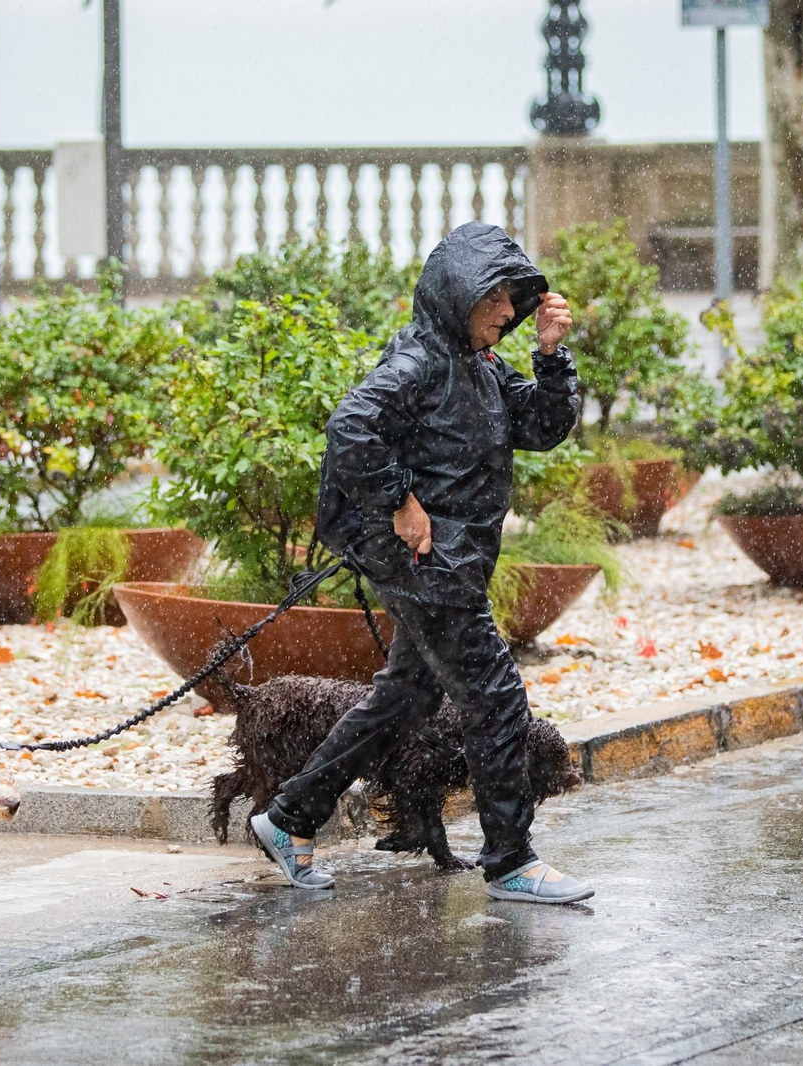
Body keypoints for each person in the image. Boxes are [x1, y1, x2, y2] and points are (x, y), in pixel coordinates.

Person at [249, 221, 593, 905]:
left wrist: (551, 356)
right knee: (496, 702)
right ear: (458, 296)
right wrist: (401, 503)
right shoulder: (420, 362)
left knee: (405, 698)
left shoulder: (482, 365)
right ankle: (510, 860)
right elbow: (350, 426)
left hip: (451, 568)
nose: (508, 313)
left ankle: (288, 818)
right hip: (430, 570)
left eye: (512, 302)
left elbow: (541, 429)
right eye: (496, 299)